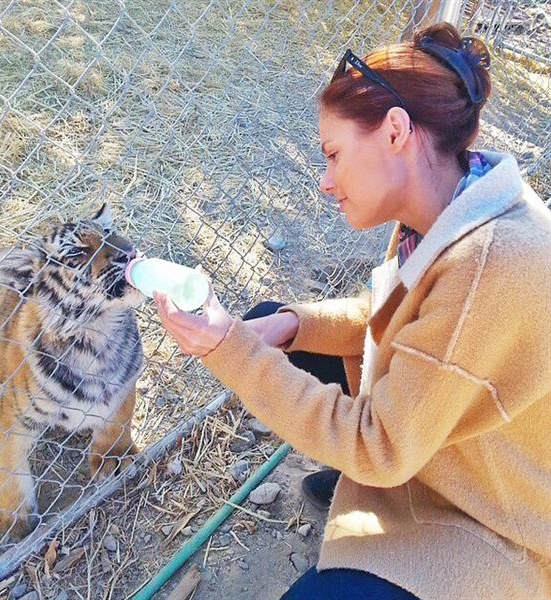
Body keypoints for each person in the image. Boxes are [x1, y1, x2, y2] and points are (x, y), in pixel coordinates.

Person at [154, 22, 551, 600]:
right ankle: (357, 491)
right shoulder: (453, 201)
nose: (325, 181)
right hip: (446, 449)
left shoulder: (487, 263)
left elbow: (380, 448)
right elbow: (393, 317)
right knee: (281, 325)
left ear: (395, 131)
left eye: (334, 154)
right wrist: (294, 324)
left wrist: (227, 348)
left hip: (499, 520)